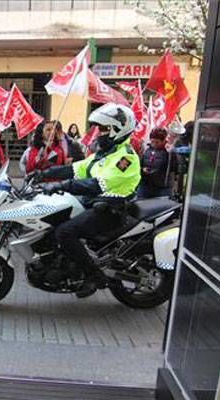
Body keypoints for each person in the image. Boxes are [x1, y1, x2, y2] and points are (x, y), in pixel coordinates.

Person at [30, 103, 140, 298]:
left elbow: (96, 184)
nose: (99, 133)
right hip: (94, 204)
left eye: (103, 129)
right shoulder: (103, 155)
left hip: (112, 210)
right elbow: (76, 169)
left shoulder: (126, 159)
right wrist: (43, 173)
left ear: (117, 130)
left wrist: (60, 186)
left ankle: (94, 276)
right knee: (55, 222)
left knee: (65, 232)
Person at [137, 128, 177, 199]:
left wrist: (172, 154)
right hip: (145, 186)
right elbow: (139, 165)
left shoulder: (168, 152)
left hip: (162, 188)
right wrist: (142, 170)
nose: (154, 144)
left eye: (157, 142)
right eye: (152, 142)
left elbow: (174, 168)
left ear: (164, 141)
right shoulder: (146, 150)